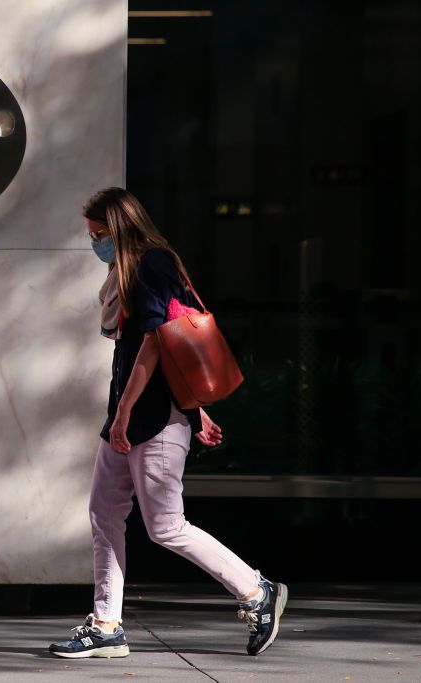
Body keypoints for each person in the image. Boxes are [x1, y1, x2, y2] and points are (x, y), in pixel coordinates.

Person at [48, 187, 287, 659]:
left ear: (119, 229)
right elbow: (171, 343)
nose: (95, 244)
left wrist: (125, 414)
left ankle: (257, 592)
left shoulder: (151, 264)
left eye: (99, 235)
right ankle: (106, 625)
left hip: (150, 420)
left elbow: (158, 344)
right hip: (135, 416)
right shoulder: (134, 269)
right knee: (104, 514)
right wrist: (191, 409)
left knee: (166, 527)